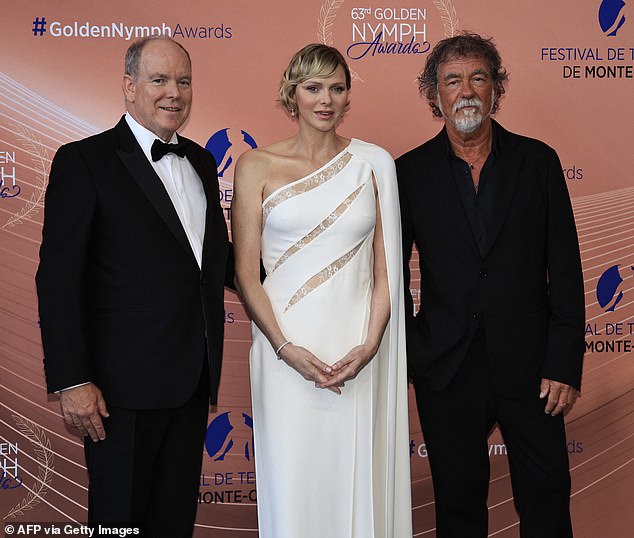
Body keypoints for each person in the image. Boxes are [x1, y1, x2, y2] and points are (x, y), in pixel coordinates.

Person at [36, 35, 232, 536]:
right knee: (119, 524)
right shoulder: (85, 161)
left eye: (183, 81)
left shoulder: (203, 163)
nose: (174, 93)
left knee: (173, 525)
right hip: (117, 394)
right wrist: (72, 380)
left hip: (190, 384)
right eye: (160, 80)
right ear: (129, 86)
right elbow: (58, 278)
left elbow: (217, 263)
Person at [396, 33, 585, 537]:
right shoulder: (408, 173)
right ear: (433, 95)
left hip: (534, 369)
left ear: (496, 89)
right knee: (458, 510)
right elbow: (388, 272)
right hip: (448, 370)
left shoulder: (539, 162)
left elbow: (565, 269)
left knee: (546, 504)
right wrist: (416, 349)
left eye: (478, 78)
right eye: (452, 81)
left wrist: (564, 362)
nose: (466, 92)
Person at [231, 44, 412, 537]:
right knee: (295, 481)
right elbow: (247, 274)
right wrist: (286, 349)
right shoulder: (255, 166)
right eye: (314, 88)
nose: (326, 100)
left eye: (337, 88)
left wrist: (371, 344)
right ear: (293, 94)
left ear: (348, 95)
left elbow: (387, 271)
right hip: (284, 347)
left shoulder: (375, 164)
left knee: (356, 476)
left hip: (358, 348)